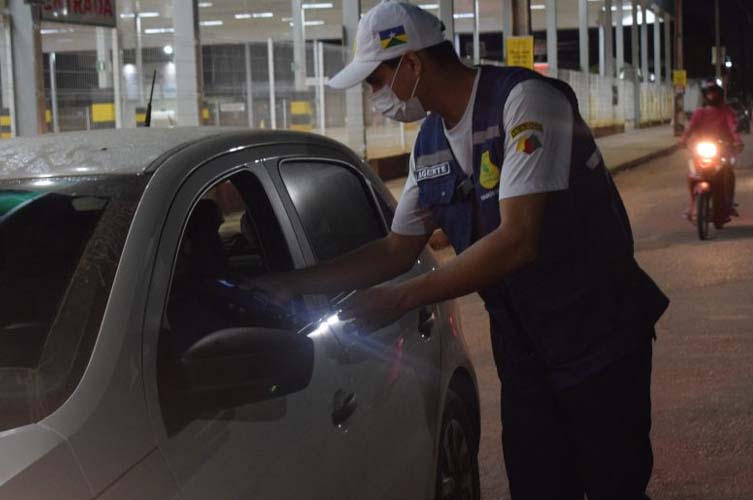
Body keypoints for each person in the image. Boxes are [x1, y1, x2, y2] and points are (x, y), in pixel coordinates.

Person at [257, 1, 669, 498]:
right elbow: (396, 248)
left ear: (411, 63)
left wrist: (397, 299)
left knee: (613, 485)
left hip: (598, 339)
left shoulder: (525, 102)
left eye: (376, 81)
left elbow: (518, 240)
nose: (374, 96)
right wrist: (292, 284)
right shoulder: (430, 143)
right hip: (526, 353)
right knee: (538, 486)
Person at [681, 80, 742, 223]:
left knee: (728, 172)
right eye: (709, 93)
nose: (711, 95)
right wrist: (683, 140)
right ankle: (691, 206)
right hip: (701, 149)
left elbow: (733, 127)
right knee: (692, 175)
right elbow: (691, 128)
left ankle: (728, 203)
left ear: (719, 94)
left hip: (723, 150)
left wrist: (737, 141)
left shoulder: (726, 111)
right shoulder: (699, 113)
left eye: (714, 93)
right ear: (705, 95)